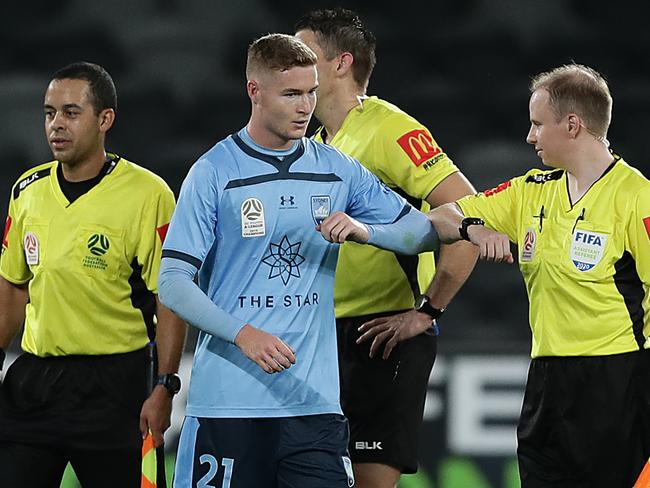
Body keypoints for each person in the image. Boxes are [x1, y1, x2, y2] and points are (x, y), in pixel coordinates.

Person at [157, 33, 444, 488]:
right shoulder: (215, 172)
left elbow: (423, 233)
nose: (305, 106)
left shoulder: (337, 169)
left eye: (311, 92)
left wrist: (368, 231)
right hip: (230, 404)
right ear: (254, 91)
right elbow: (172, 281)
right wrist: (242, 334)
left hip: (315, 407)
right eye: (291, 94)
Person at [421, 63, 649, 487]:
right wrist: (474, 228)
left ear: (573, 125)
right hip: (546, 380)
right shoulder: (531, 189)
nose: (530, 136)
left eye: (538, 124)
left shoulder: (636, 198)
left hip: (615, 381)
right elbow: (441, 216)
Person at [294, 8, 478, 487]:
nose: (291, 65)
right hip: (320, 335)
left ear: (340, 63)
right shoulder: (313, 144)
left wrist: (428, 311)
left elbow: (471, 217)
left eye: (304, 54)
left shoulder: (389, 129)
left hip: (381, 335)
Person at [0, 62, 187, 488]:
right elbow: (12, 285)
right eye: (49, 113)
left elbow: (170, 296)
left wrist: (165, 386)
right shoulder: (26, 190)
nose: (56, 125)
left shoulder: (148, 193)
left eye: (70, 112)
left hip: (115, 388)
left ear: (105, 119)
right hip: (34, 382)